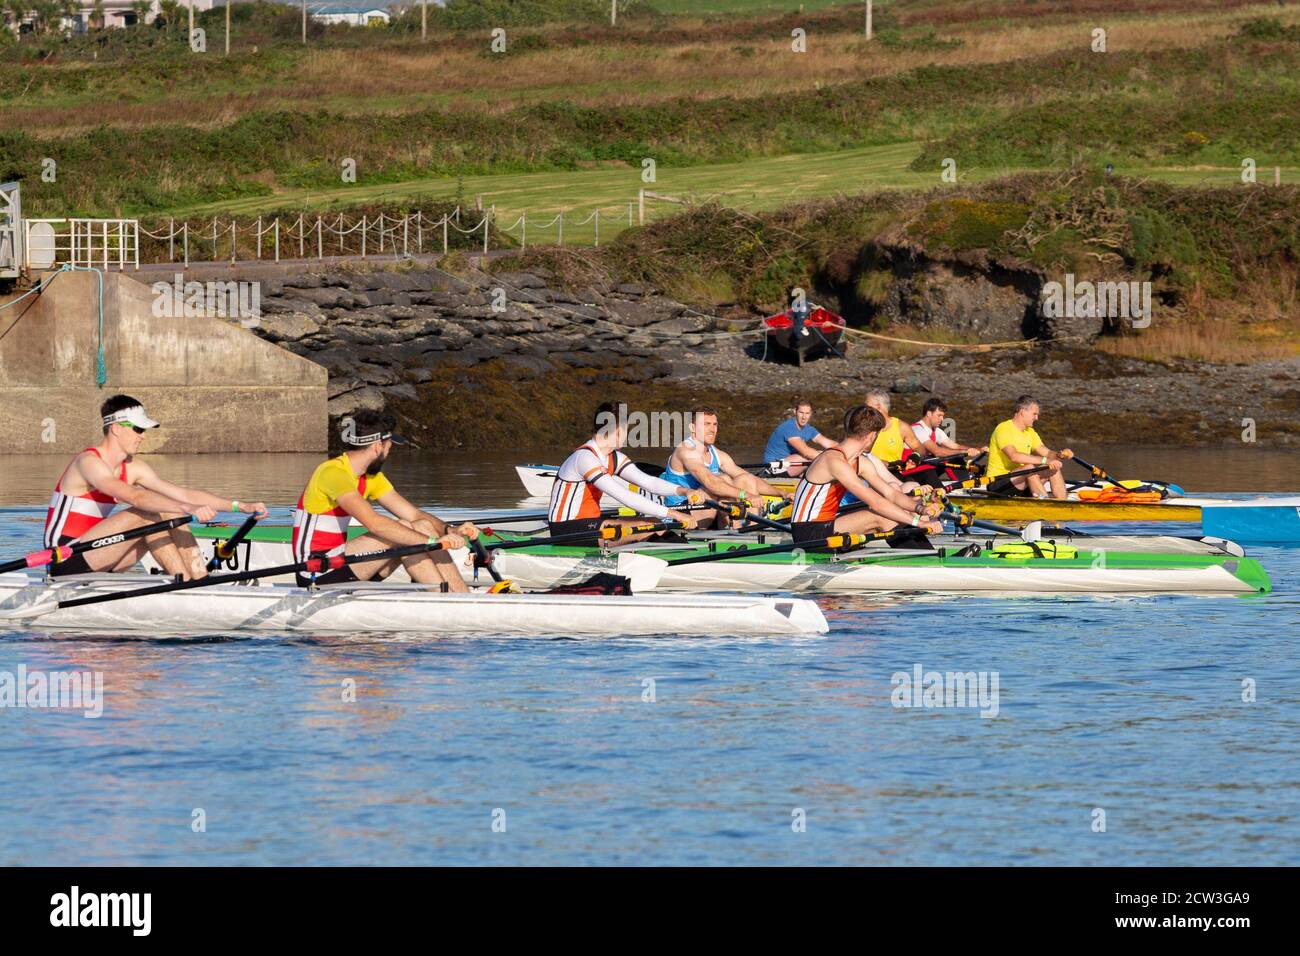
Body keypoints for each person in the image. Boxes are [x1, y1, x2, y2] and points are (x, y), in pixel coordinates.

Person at [43, 394, 267, 579]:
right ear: (116, 428)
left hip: (103, 555)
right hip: (65, 557)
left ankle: (199, 579)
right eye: (138, 429)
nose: (142, 437)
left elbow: (183, 493)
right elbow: (135, 497)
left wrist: (242, 506)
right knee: (150, 510)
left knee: (168, 508)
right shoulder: (88, 463)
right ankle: (186, 584)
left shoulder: (133, 467)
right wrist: (187, 508)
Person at [292, 411, 477, 590]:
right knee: (405, 533)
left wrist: (450, 530)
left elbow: (414, 514)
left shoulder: (371, 478)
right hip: (315, 570)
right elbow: (375, 525)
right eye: (389, 445)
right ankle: (442, 598)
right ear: (377, 446)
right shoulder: (332, 473)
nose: (390, 449)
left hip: (346, 563)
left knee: (418, 524)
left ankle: (461, 596)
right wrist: (431, 542)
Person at [547, 403, 704, 545]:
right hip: (566, 529)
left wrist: (684, 491)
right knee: (646, 526)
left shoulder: (614, 457)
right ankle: (680, 559)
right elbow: (624, 496)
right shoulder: (584, 458)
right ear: (617, 430)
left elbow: (649, 483)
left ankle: (682, 552)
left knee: (655, 523)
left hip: (590, 523)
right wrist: (675, 514)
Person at [790, 405, 943, 544]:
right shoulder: (834, 460)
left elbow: (891, 494)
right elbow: (876, 503)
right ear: (871, 436)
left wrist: (920, 509)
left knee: (892, 516)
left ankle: (925, 559)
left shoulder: (860, 462)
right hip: (807, 532)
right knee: (881, 516)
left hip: (828, 523)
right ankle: (925, 564)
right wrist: (920, 522)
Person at [662, 407, 792, 526]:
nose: (712, 429)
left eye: (715, 424)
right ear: (692, 428)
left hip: (707, 509)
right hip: (681, 513)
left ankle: (749, 531)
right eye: (706, 424)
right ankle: (733, 530)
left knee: (746, 479)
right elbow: (711, 483)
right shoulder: (686, 450)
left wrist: (783, 493)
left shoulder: (716, 453)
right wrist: (746, 495)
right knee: (723, 479)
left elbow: (748, 477)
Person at [984, 395, 1074, 498]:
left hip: (1021, 481)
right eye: (1034, 414)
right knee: (1030, 468)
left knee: (1053, 468)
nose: (1037, 418)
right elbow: (1014, 456)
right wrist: (1045, 460)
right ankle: (1046, 506)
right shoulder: (1003, 429)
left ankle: (1063, 503)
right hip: (998, 485)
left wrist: (1061, 454)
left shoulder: (1030, 432)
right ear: (1022, 412)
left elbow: (1048, 453)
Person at [910, 397, 987, 483]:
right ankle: (964, 484)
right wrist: (963, 452)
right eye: (939, 415)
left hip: (925, 468)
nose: (942, 419)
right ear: (929, 414)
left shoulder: (936, 431)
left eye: (943, 416)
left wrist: (978, 449)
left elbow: (955, 446)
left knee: (956, 457)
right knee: (951, 458)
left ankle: (967, 481)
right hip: (910, 473)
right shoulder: (917, 430)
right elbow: (937, 452)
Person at [761, 398, 838, 477]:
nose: (804, 417)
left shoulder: (809, 429)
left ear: (811, 414)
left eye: (807, 413)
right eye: (801, 413)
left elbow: (829, 443)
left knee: (823, 453)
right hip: (774, 467)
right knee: (809, 457)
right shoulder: (789, 427)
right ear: (795, 412)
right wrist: (832, 461)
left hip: (790, 464)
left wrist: (844, 453)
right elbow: (806, 452)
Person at [864, 389, 927, 470]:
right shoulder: (864, 426)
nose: (863, 410)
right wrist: (878, 462)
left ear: (878, 407)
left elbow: (920, 448)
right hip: (869, 472)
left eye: (866, 406)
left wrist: (915, 456)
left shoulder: (901, 427)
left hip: (893, 471)